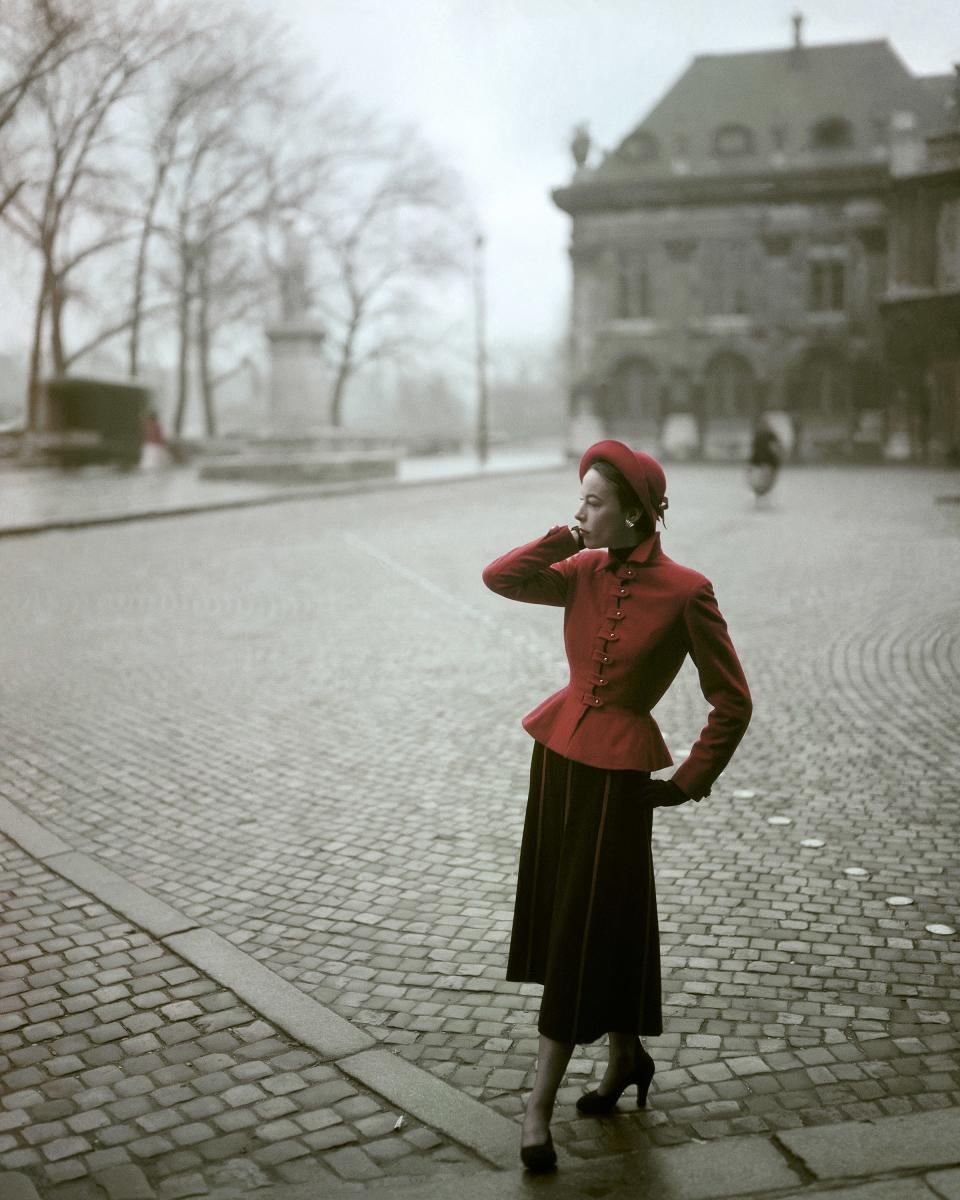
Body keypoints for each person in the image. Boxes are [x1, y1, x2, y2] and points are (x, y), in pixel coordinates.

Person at [482, 440, 752, 1172]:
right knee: (581, 914)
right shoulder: (580, 569)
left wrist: (687, 780)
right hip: (559, 760)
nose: (580, 510)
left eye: (593, 501)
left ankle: (537, 1105)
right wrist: (566, 535)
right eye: (580, 499)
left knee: (587, 923)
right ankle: (627, 1056)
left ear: (633, 510)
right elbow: (500, 578)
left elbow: (734, 700)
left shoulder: (688, 590)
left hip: (619, 780)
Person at [747, 416, 782, 501]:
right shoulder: (757, 435)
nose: (763, 425)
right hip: (758, 462)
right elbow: (754, 450)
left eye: (765, 423)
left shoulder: (771, 436)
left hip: (769, 462)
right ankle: (759, 495)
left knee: (767, 480)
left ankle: (765, 495)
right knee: (757, 481)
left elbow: (777, 448)